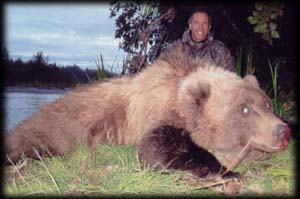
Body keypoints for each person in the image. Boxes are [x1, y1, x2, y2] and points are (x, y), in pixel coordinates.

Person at [178, 7, 236, 71]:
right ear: (190, 25)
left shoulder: (219, 50)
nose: (200, 27)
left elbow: (229, 76)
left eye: (204, 23)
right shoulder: (177, 49)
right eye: (197, 23)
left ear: (209, 27)